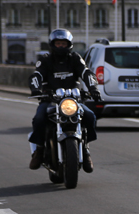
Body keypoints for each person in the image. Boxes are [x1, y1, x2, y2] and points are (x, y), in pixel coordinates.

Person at [28, 29, 101, 172]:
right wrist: (36, 90)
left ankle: (85, 150)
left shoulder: (75, 58)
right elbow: (36, 75)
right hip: (50, 99)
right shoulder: (45, 59)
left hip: (72, 99)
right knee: (39, 118)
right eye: (58, 43)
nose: (60, 46)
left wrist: (94, 89)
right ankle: (40, 150)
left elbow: (86, 72)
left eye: (63, 43)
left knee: (90, 115)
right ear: (52, 44)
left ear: (69, 44)